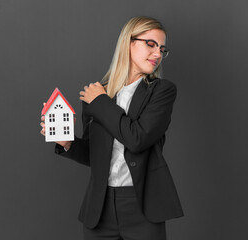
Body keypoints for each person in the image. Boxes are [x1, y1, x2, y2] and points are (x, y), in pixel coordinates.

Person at [40, 16, 183, 240]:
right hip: (100, 208)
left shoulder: (161, 91)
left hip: (142, 206)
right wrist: (67, 143)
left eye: (162, 49)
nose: (157, 54)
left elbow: (137, 139)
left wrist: (101, 102)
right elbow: (94, 155)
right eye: (151, 44)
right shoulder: (97, 94)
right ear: (128, 42)